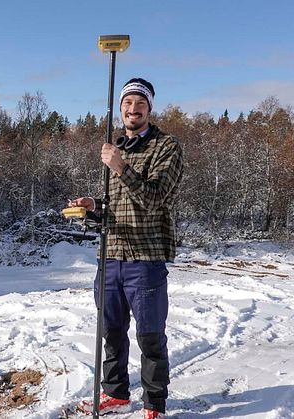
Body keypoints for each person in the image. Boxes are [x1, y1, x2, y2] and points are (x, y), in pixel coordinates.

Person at [72, 78, 183, 419]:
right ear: (120, 109)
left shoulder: (166, 147)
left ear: (149, 109)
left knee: (150, 336)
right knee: (112, 334)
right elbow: (118, 205)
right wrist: (94, 205)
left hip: (145, 259)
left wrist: (119, 166)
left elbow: (153, 198)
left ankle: (154, 404)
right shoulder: (117, 147)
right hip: (110, 258)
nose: (133, 110)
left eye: (140, 105)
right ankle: (116, 395)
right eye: (127, 105)